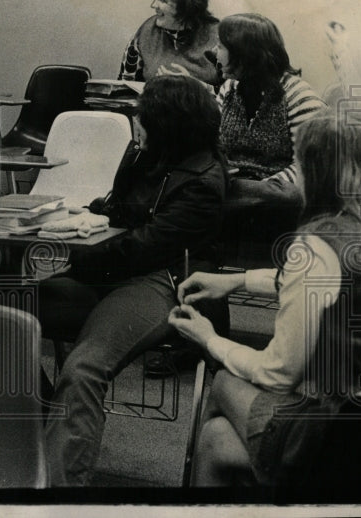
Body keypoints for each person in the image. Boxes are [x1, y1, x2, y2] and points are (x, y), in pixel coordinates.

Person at [169, 109, 361, 488]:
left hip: (344, 439)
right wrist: (236, 282)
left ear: (318, 172)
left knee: (223, 382)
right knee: (217, 440)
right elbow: (332, 285)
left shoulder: (318, 244)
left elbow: (278, 373)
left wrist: (210, 339)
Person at [40, 75, 228, 486]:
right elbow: (119, 209)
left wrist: (68, 256)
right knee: (0, 311)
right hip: (114, 271)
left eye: (141, 115)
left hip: (164, 281)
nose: (134, 121)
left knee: (85, 366)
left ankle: (60, 492)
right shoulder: (148, 152)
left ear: (169, 123)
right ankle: (45, 429)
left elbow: (143, 248)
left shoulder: (204, 181)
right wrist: (81, 217)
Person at [213, 13, 326, 240]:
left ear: (244, 54)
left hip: (276, 191)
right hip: (235, 184)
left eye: (221, 46)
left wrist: (260, 189)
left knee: (287, 197)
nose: (215, 53)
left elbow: (308, 166)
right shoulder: (228, 89)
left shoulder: (298, 94)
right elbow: (214, 146)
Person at [118, 0, 221, 87]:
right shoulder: (146, 32)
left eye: (162, 0)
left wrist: (193, 86)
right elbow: (125, 85)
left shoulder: (219, 37)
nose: (153, 5)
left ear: (186, 6)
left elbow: (235, 99)